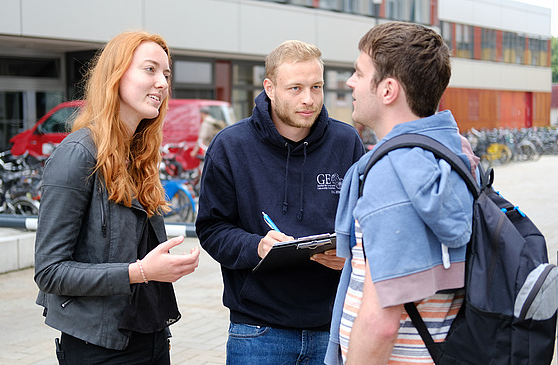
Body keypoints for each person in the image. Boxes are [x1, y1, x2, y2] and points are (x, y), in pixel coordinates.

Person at [34, 31, 200, 365]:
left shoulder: (138, 155)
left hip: (150, 339)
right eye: (150, 70)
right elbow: (50, 272)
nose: (162, 83)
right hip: (99, 349)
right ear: (116, 76)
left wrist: (158, 270)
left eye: (166, 75)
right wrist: (139, 272)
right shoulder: (78, 155)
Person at [195, 40, 365, 364]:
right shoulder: (231, 146)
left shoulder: (347, 142)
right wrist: (257, 246)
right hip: (258, 331)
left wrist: (351, 255)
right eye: (296, 88)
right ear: (269, 88)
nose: (308, 99)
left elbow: (366, 223)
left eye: (317, 87)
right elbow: (212, 229)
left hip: (332, 326)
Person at [327, 22, 479, 364]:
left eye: (359, 72)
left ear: (388, 90)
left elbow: (380, 321)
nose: (350, 82)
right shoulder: (454, 154)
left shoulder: (391, 174)